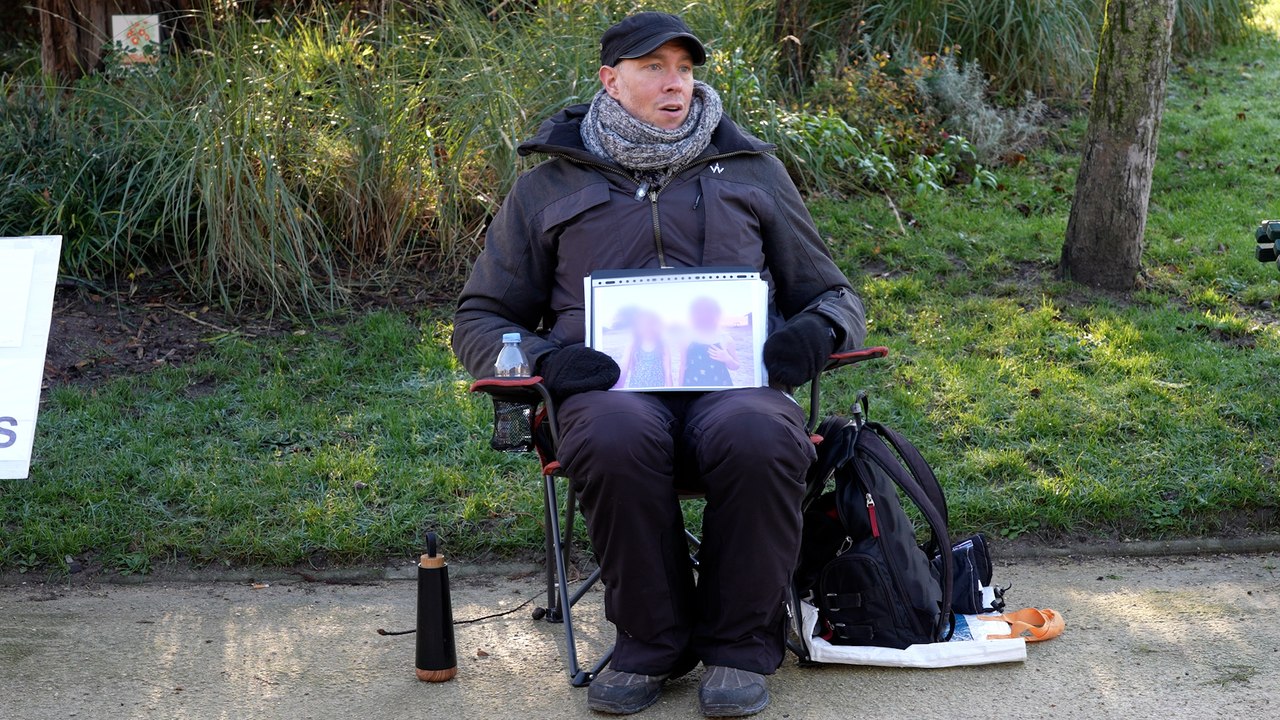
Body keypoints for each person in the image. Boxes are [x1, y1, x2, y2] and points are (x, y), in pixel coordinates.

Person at [453, 12, 865, 717]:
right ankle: (652, 645)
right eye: (653, 68)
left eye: (684, 68)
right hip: (607, 391)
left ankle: (737, 649)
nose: (674, 83)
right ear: (611, 82)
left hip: (735, 383)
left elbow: (832, 292)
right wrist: (550, 361)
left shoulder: (751, 171)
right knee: (614, 436)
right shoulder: (548, 187)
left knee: (763, 434)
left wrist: (818, 331)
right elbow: (481, 318)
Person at [680, 296, 740, 388]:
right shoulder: (687, 338)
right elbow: (683, 365)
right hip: (692, 387)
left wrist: (727, 358)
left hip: (720, 389)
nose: (704, 316)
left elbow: (736, 366)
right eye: (699, 312)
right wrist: (679, 390)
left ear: (716, 314)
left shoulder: (725, 339)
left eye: (708, 312)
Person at [617, 309, 673, 389]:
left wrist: (671, 395)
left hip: (657, 391)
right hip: (636, 391)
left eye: (650, 324)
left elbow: (668, 374)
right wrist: (618, 391)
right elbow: (624, 371)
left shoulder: (663, 346)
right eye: (643, 324)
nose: (647, 328)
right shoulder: (633, 345)